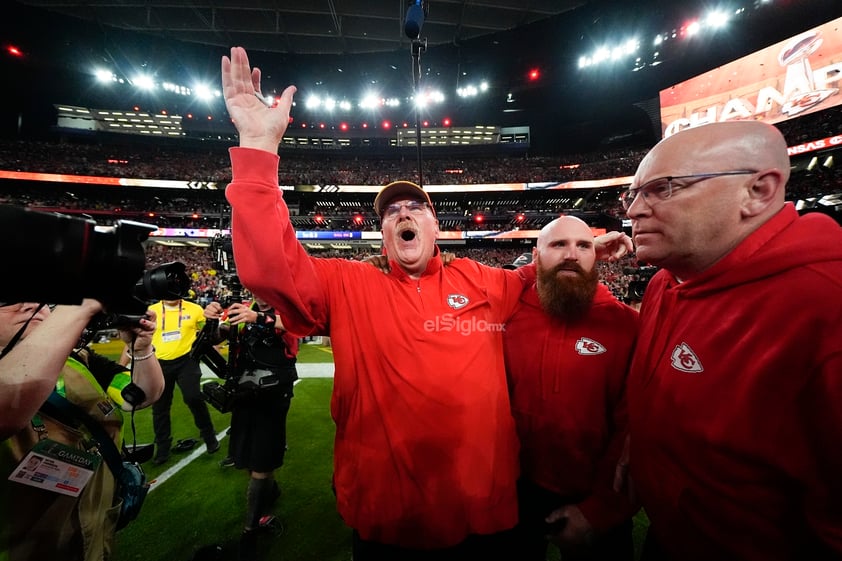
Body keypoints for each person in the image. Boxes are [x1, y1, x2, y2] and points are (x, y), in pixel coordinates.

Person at [219, 46, 632, 560]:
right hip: (388, 517)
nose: (403, 214)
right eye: (391, 212)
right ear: (383, 232)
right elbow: (268, 268)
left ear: (437, 227)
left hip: (486, 514)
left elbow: (549, 272)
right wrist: (258, 148)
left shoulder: (487, 281)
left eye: (416, 207)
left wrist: (588, 251)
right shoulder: (347, 283)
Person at [621, 121, 842, 561]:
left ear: (758, 191)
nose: (633, 212)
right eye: (633, 194)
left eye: (663, 188)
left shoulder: (826, 305)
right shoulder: (667, 280)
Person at [504, 216, 639, 561]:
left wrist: (599, 510)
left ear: (597, 256)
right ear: (536, 257)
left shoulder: (626, 325)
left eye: (583, 246)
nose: (571, 255)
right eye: (558, 245)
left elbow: (635, 427)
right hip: (517, 492)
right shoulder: (507, 314)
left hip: (595, 496)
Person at [0, 299, 164, 560]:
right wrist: (80, 306)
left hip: (94, 529)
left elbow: (140, 396)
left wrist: (141, 348)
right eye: (8, 300)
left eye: (38, 296)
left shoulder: (79, 360)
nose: (29, 305)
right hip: (27, 546)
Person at [202, 298, 298, 541]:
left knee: (262, 461)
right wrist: (212, 321)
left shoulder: (286, 309)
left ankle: (252, 526)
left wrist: (256, 318)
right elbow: (219, 336)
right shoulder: (247, 306)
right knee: (249, 454)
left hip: (272, 394)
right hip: (244, 392)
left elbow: (296, 326)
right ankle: (271, 491)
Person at [148, 295, 219, 465]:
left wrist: (214, 328)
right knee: (160, 407)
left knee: (193, 397)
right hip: (159, 363)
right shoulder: (151, 311)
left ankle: (209, 435)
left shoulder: (195, 309)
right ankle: (163, 448)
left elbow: (211, 335)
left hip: (187, 360)